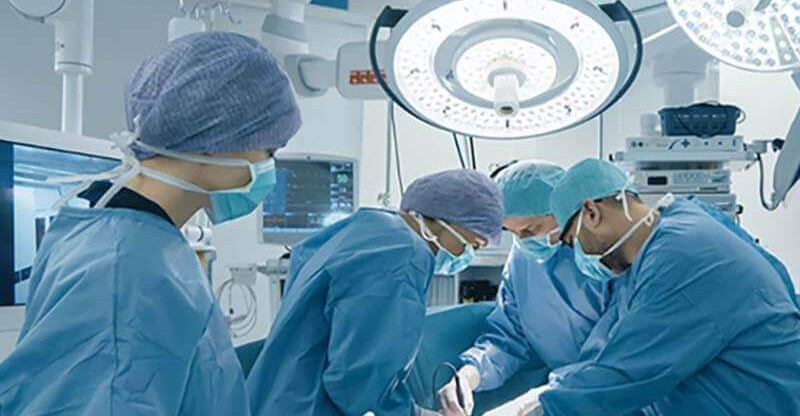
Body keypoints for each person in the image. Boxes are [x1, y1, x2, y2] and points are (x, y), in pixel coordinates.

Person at [0, 32, 302, 415]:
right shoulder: (129, 271)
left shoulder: (111, 236)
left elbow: (181, 374)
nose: (269, 166)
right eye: (269, 150)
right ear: (215, 141)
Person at [534, 159, 800, 415]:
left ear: (592, 212)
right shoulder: (664, 240)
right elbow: (608, 346)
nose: (578, 255)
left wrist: (547, 410)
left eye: (573, 241)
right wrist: (560, 385)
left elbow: (624, 374)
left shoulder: (681, 259)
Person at [246, 169, 505, 416]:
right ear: (446, 222)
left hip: (275, 399)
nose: (468, 255)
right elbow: (359, 382)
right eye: (473, 244)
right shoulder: (403, 257)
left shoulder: (368, 227)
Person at [437, 160, 607, 416]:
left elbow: (618, 355)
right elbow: (508, 337)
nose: (522, 240)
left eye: (530, 229)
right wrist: (471, 374)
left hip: (619, 396)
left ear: (562, 209)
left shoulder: (605, 257)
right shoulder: (523, 259)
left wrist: (540, 398)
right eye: (512, 232)